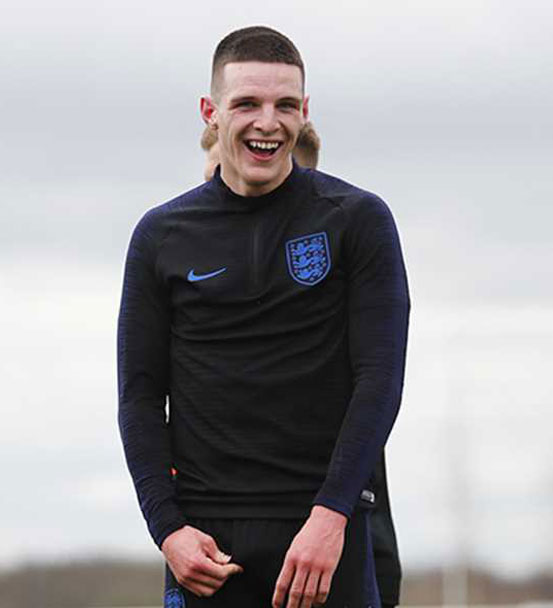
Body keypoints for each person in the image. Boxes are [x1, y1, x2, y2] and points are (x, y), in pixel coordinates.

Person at [118, 25, 409, 608]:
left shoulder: (358, 219)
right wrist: (168, 530)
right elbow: (140, 397)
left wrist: (332, 517)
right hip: (207, 546)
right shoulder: (161, 234)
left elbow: (379, 379)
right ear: (211, 112)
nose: (267, 122)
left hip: (324, 536)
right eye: (246, 103)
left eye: (285, 104)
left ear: (305, 111)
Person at [199, 120, 403, 608]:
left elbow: (376, 384)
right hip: (225, 539)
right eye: (212, 174)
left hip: (340, 530)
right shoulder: (194, 262)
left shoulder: (343, 255)